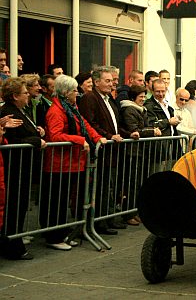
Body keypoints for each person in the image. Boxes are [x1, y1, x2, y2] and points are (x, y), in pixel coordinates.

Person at [41, 75, 106, 250]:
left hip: (71, 163)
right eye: (74, 90)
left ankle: (61, 234)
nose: (77, 93)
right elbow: (55, 136)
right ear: (66, 92)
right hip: (59, 164)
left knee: (64, 200)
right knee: (58, 201)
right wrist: (79, 139)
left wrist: (98, 138)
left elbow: (85, 124)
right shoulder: (56, 111)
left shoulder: (71, 108)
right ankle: (54, 237)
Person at [79, 66, 134, 235]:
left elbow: (115, 123)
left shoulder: (108, 98)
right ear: (96, 82)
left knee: (109, 187)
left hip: (112, 151)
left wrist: (128, 133)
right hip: (101, 150)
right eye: (108, 81)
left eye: (112, 81)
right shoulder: (90, 98)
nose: (112, 84)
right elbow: (90, 123)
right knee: (101, 188)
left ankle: (108, 218)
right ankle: (100, 222)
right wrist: (109, 136)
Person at [0, 77, 46, 260]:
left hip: (23, 168)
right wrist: (36, 140)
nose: (29, 95)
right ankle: (12, 247)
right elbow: (11, 141)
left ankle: (14, 243)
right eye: (25, 92)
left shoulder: (21, 110)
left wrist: (38, 131)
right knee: (14, 208)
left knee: (19, 208)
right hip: (15, 169)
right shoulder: (8, 113)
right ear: (14, 96)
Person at [119, 85, 161, 225]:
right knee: (132, 183)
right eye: (140, 97)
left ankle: (134, 211)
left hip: (141, 151)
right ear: (133, 98)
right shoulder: (129, 110)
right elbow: (134, 129)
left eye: (144, 96)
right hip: (133, 152)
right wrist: (151, 132)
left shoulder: (141, 110)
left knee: (138, 183)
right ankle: (128, 213)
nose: (143, 99)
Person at [145, 79, 181, 170]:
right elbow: (151, 124)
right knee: (157, 173)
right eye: (157, 91)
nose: (161, 94)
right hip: (158, 147)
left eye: (163, 91)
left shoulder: (168, 106)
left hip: (170, 144)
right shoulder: (149, 106)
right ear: (152, 91)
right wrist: (168, 121)